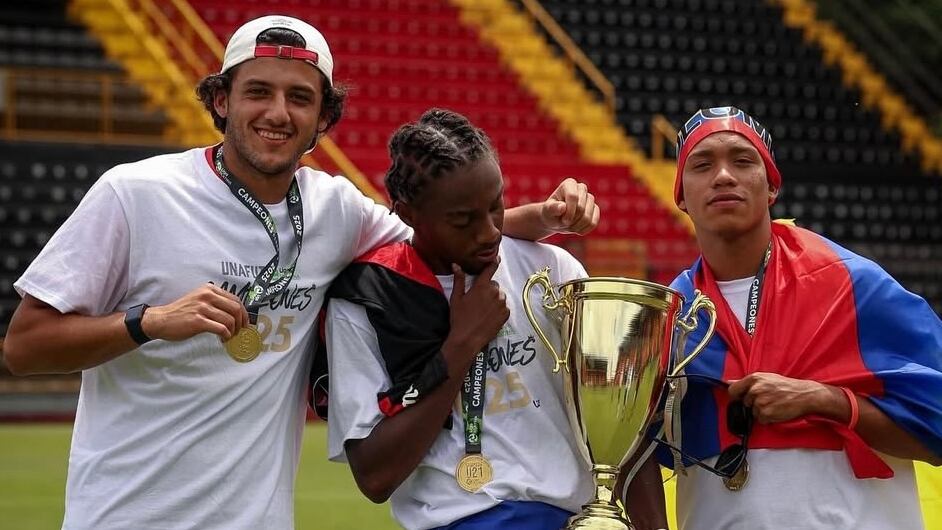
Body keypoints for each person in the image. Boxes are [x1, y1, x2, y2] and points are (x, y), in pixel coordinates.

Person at [2, 16, 600, 530]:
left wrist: (543, 215)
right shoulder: (136, 195)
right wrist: (150, 322)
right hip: (121, 515)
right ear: (220, 100)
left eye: (300, 97)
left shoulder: (335, 210)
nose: (277, 113)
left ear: (323, 118)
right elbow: (24, 347)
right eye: (258, 91)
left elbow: (444, 229)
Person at [324, 108, 658, 529]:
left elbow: (621, 421)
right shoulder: (366, 302)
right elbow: (375, 476)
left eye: (496, 207)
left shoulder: (551, 271)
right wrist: (461, 345)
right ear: (407, 214)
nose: (488, 233)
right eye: (463, 221)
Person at [655, 105, 942, 529]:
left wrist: (827, 400)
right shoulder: (670, 317)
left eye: (742, 160)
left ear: (771, 186)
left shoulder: (849, 283)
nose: (723, 176)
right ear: (680, 195)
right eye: (702, 164)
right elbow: (632, 456)